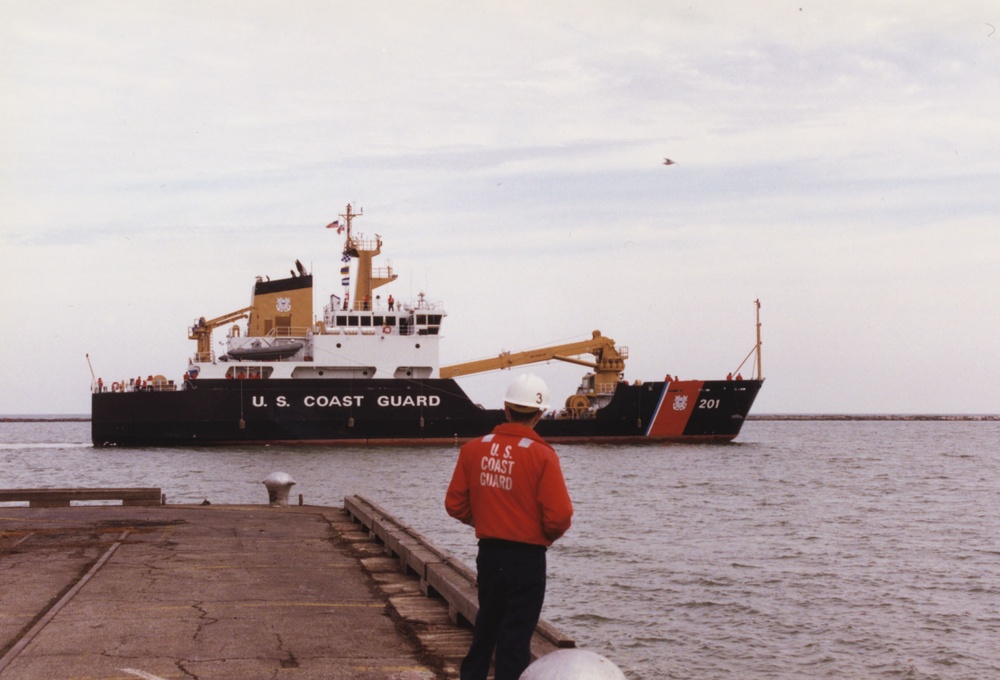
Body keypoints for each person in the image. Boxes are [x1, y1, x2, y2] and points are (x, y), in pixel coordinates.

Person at [445, 373, 573, 680]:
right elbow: (559, 516)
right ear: (540, 414)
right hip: (527, 559)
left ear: (506, 408)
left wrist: (486, 520)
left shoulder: (473, 449)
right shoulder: (543, 455)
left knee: (486, 626)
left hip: (489, 554)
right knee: (515, 639)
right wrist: (540, 535)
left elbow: (455, 504)